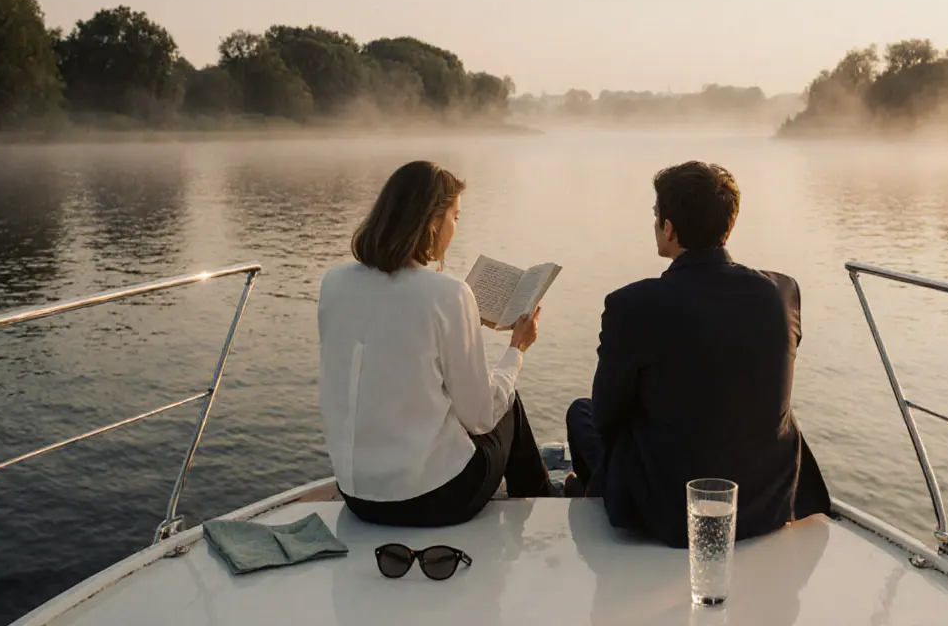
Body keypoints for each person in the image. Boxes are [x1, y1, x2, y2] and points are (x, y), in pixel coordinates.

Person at [565, 161, 832, 548]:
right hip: (765, 507)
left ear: (668, 228)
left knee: (581, 413)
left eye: (656, 216)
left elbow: (608, 415)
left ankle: (593, 491)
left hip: (673, 514)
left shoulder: (633, 305)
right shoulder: (782, 293)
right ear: (730, 225)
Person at [318, 160, 554, 529]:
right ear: (433, 223)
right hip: (434, 500)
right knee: (507, 399)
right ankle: (546, 502)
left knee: (477, 396)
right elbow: (480, 417)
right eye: (455, 218)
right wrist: (517, 349)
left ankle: (544, 496)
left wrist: (459, 326)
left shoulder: (334, 283)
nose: (455, 228)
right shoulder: (447, 295)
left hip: (357, 495)